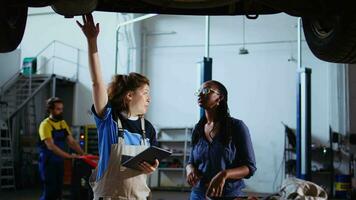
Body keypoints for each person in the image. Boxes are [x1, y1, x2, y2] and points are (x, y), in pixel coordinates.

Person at [76, 14, 159, 200]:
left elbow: (154, 161)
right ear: (129, 95)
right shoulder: (109, 120)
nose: (149, 99)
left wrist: (154, 166)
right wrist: (92, 41)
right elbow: (97, 83)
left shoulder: (149, 129)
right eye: (145, 92)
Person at [186, 80, 257, 200]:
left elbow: (250, 167)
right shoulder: (197, 129)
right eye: (199, 91)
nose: (200, 94)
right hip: (199, 194)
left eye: (206, 90)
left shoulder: (237, 127)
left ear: (220, 98)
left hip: (228, 194)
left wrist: (224, 174)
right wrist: (190, 169)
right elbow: (190, 162)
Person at [38, 97, 85, 200]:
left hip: (59, 162)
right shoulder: (45, 125)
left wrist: (83, 154)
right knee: (50, 192)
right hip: (48, 163)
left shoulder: (62, 123)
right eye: (58, 109)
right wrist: (68, 156)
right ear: (50, 110)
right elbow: (51, 146)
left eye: (61, 109)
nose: (61, 111)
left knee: (58, 191)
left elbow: (71, 142)